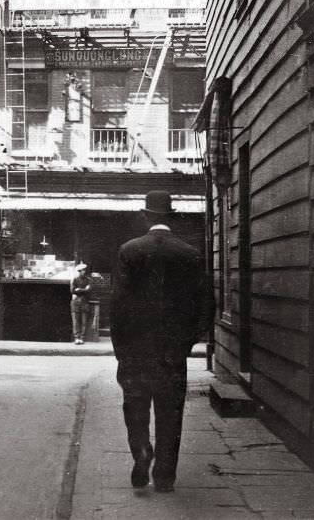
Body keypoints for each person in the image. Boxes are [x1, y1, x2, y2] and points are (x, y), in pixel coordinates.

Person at [110, 190, 213, 493]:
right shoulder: (189, 253)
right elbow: (207, 306)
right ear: (171, 217)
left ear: (146, 216)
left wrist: (122, 349)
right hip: (172, 352)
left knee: (135, 407)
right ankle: (165, 477)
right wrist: (187, 342)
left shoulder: (129, 250)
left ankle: (142, 449)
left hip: (135, 352)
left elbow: (118, 304)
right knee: (171, 413)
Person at [70, 263, 92, 345]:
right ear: (79, 271)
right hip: (75, 303)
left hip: (85, 302)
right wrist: (84, 289)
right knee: (76, 321)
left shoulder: (88, 280)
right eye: (82, 270)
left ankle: (82, 338)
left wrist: (79, 289)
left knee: (84, 321)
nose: (84, 272)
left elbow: (89, 290)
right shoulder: (75, 279)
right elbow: (72, 290)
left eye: (84, 270)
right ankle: (77, 338)